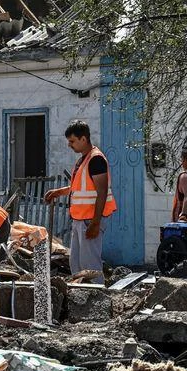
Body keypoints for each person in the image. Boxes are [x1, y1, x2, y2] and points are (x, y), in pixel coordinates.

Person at [44, 120, 117, 285]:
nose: (69, 145)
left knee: (90, 265)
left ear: (83, 139)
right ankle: (80, 298)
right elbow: (79, 187)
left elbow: (102, 192)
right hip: (81, 219)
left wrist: (95, 223)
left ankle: (98, 299)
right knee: (76, 263)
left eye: (72, 141)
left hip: (90, 220)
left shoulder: (96, 160)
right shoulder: (84, 159)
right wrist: (59, 192)